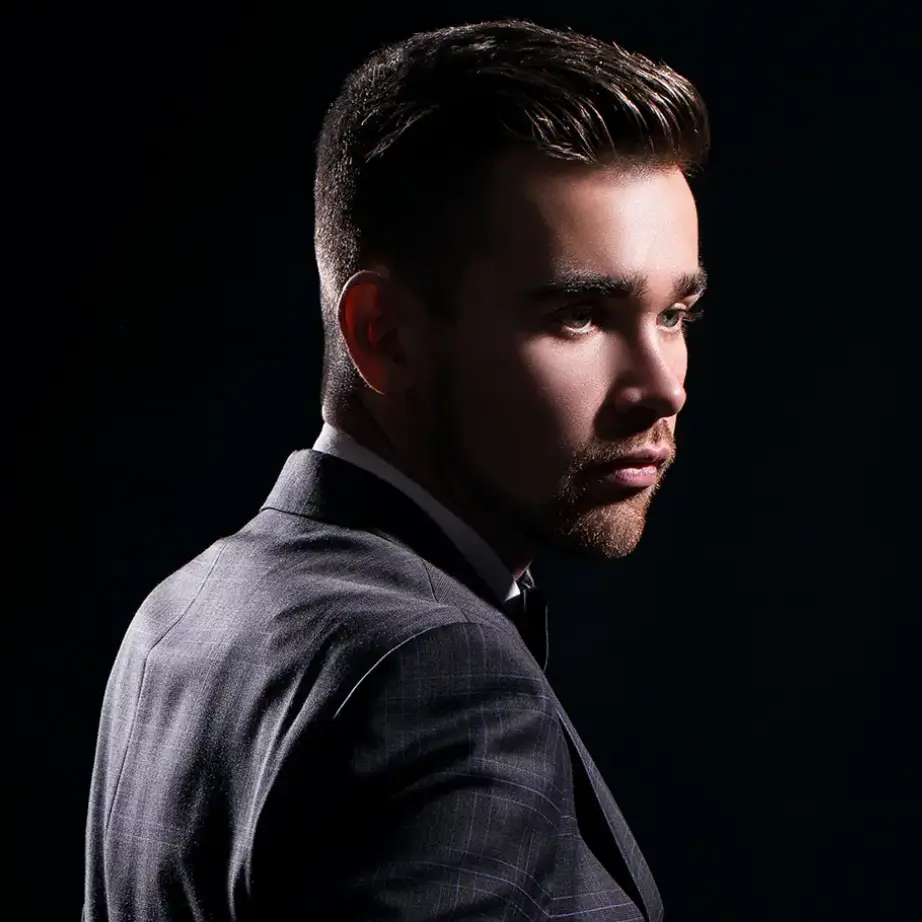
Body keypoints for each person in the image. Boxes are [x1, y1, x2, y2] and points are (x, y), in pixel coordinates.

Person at [83, 18, 709, 922]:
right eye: (579, 314)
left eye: (675, 313)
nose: (663, 387)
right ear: (384, 333)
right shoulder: (439, 678)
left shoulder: (180, 615)